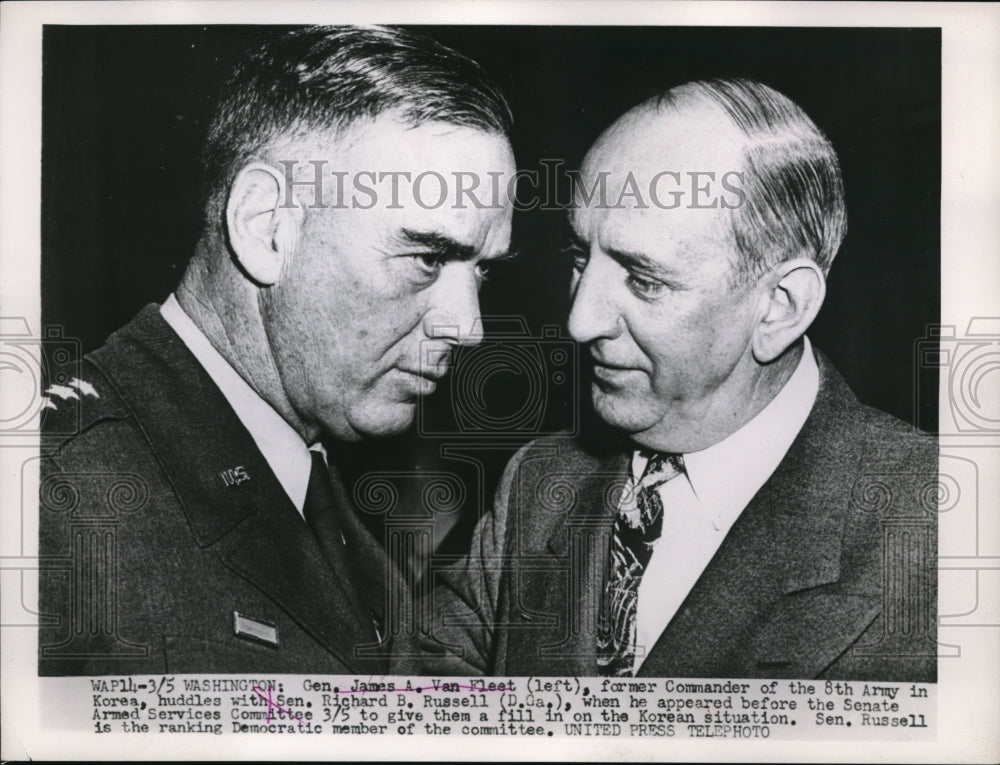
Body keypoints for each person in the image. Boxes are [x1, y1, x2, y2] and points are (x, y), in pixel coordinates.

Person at [407, 78, 937, 681]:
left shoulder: (942, 532)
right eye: (581, 259)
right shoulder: (540, 480)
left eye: (644, 280)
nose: (580, 322)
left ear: (780, 307)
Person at [38, 26, 516, 675]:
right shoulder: (51, 495)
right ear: (266, 228)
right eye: (427, 256)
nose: (468, 328)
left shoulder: (313, 481)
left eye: (481, 270)